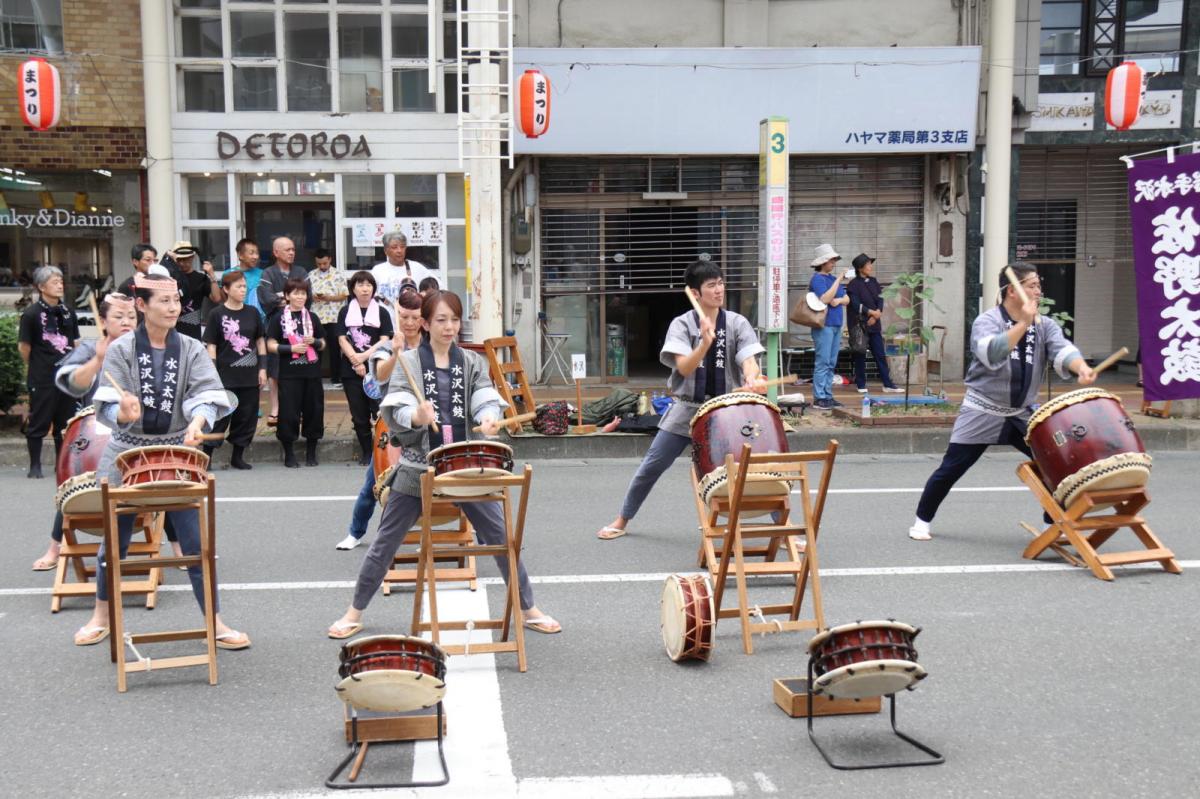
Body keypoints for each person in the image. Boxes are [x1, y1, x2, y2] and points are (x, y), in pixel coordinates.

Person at [327, 290, 560, 637]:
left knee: (501, 537)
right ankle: (354, 612)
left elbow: (484, 395)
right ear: (425, 323)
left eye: (454, 319)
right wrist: (416, 416)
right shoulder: (408, 361)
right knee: (385, 542)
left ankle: (528, 608)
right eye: (441, 320)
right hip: (418, 466)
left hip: (465, 463)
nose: (449, 327)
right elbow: (397, 406)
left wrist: (489, 415)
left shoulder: (470, 361)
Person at [73, 272, 249, 650]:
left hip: (176, 450)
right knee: (114, 542)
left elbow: (206, 390)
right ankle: (101, 614)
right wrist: (122, 410)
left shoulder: (190, 347)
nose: (173, 309)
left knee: (195, 542)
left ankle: (214, 621)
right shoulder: (121, 350)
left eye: (176, 302)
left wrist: (199, 421)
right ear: (142, 305)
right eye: (164, 302)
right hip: (126, 450)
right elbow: (104, 402)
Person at [907, 263, 1096, 541]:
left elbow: (1063, 350)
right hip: (982, 409)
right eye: (1032, 285)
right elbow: (993, 353)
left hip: (1023, 413)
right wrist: (1023, 324)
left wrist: (1080, 367)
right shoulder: (987, 321)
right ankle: (922, 520)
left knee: (1055, 464)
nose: (1038, 291)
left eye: (1038, 285)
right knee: (951, 468)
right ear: (1012, 290)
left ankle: (1050, 524)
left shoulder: (1045, 325)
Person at [595, 260, 767, 541]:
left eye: (721, 283)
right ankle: (622, 519)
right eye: (711, 285)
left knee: (752, 466)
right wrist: (704, 345)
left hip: (726, 411)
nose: (719, 289)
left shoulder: (737, 322)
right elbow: (684, 368)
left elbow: (748, 360)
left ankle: (782, 526)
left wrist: (752, 377)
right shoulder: (682, 324)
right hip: (687, 410)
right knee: (651, 466)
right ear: (695, 293)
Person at [30, 293, 137, 571]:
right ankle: (55, 547)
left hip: (135, 432)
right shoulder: (91, 349)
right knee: (75, 482)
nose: (126, 322)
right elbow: (67, 381)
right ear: (102, 321)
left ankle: (179, 547)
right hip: (96, 433)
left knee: (155, 475)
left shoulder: (144, 349)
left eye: (132, 316)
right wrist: (97, 362)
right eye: (118, 316)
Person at [337, 287, 424, 550]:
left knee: (439, 478)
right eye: (404, 316)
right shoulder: (387, 345)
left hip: (423, 423)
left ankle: (465, 532)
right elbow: (380, 376)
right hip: (393, 424)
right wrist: (397, 352)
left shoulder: (432, 345)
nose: (409, 323)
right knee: (376, 482)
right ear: (397, 314)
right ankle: (355, 532)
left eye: (415, 317)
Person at [18, 266, 80, 478]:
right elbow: (24, 347)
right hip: (42, 376)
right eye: (55, 282)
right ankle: (35, 465)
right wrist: (37, 365)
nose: (60, 285)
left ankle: (61, 465)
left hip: (66, 375)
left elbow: (75, 342)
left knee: (66, 423)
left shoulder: (68, 312)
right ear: (42, 287)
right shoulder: (31, 314)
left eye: (61, 281)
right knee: (39, 421)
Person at [203, 270, 266, 470]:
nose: (242, 290)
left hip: (249, 374)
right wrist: (212, 373)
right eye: (238, 286)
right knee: (220, 417)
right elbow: (211, 344)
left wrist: (263, 368)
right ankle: (207, 456)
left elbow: (260, 341)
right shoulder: (217, 314)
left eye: (244, 286)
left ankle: (238, 456)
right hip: (224, 375)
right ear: (226, 289)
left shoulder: (252, 312)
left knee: (246, 417)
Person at [266, 277, 326, 468]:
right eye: (296, 293)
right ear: (287, 295)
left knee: (314, 412)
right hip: (289, 374)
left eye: (303, 293)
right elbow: (270, 344)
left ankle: (311, 452)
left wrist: (314, 342)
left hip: (312, 373)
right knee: (288, 414)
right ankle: (289, 454)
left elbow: (324, 343)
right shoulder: (279, 319)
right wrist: (290, 349)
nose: (300, 297)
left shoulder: (312, 318)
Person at [337, 271, 394, 465]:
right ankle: (366, 453)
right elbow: (341, 338)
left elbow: (386, 340)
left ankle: (382, 452)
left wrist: (364, 357)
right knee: (359, 415)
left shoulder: (382, 312)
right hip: (351, 371)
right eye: (360, 284)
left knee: (379, 413)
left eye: (368, 285)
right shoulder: (345, 311)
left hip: (377, 370)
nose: (364, 288)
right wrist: (356, 360)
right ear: (353, 288)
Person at [257, 237, 309, 427]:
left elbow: (306, 296)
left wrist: (283, 298)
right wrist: (289, 299)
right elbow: (266, 298)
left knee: (299, 365)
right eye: (287, 249)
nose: (291, 253)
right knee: (274, 368)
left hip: (300, 323)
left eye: (293, 249)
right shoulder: (268, 273)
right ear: (276, 252)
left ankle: (299, 408)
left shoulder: (301, 271)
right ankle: (275, 409)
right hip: (276, 324)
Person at [846, 253, 903, 394]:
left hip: (874, 324)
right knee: (860, 354)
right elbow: (855, 304)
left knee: (880, 354)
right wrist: (870, 313)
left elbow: (880, 299)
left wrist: (877, 313)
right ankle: (860, 384)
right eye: (868, 264)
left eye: (870, 264)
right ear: (860, 268)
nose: (870, 266)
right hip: (860, 325)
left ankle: (887, 384)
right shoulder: (853, 285)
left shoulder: (874, 281)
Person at [808, 243, 851, 410]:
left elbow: (847, 299)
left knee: (831, 362)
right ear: (823, 262)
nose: (834, 263)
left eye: (834, 260)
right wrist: (840, 280)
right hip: (823, 325)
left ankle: (828, 395)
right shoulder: (818, 279)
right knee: (823, 361)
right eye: (831, 260)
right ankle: (819, 398)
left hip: (836, 325)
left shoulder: (832, 280)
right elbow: (825, 299)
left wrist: (839, 300)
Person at [161, 240, 221, 340]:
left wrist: (212, 275)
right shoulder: (169, 278)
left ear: (192, 257)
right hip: (171, 330)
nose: (182, 263)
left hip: (193, 332)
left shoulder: (201, 278)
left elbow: (217, 298)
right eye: (179, 260)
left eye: (186, 259)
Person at [309, 248, 347, 386]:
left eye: (324, 263)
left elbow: (344, 294)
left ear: (330, 259)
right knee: (315, 346)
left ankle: (336, 378)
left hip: (334, 316)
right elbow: (306, 294)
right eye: (319, 264)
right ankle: (315, 377)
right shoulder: (311, 275)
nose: (322, 266)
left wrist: (329, 298)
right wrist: (313, 297)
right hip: (316, 316)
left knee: (335, 348)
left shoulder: (338, 274)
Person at [372, 232, 439, 310]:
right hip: (385, 319)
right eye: (394, 247)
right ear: (386, 250)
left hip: (411, 319)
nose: (399, 250)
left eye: (402, 247)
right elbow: (370, 295)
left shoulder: (417, 267)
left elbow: (438, 287)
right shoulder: (377, 270)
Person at [233, 238, 266, 320]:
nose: (255, 257)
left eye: (257, 253)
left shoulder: (264, 274)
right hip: (236, 321)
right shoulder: (229, 274)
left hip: (260, 322)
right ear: (240, 255)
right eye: (251, 253)